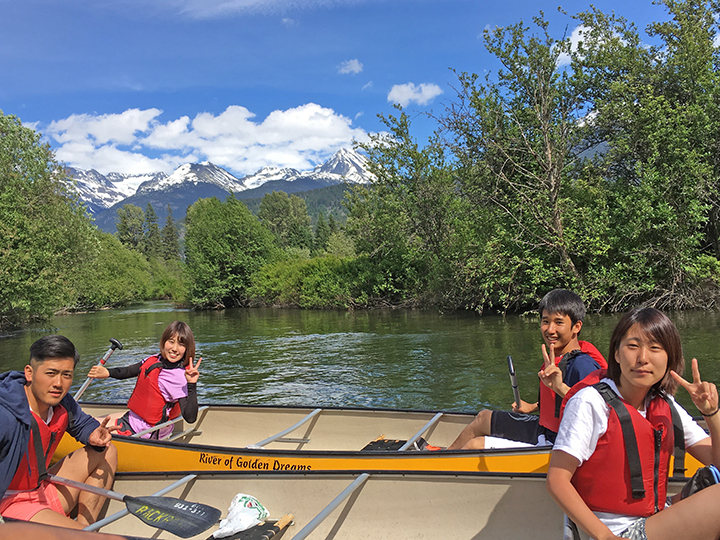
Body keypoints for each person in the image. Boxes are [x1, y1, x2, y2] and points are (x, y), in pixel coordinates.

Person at [547, 307, 720, 540]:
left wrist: (711, 413)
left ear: (669, 358)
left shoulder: (663, 403)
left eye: (655, 348)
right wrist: (606, 537)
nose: (643, 358)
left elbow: (716, 462)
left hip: (654, 517)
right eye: (633, 346)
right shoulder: (590, 402)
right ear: (617, 354)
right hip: (616, 532)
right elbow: (557, 480)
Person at [448, 289, 606, 450]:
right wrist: (533, 407)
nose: (550, 329)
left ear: (576, 326)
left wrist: (560, 387)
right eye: (545, 321)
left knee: (476, 445)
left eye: (559, 322)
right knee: (483, 417)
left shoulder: (583, 366)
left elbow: (599, 413)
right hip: (545, 429)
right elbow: (557, 401)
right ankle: (442, 456)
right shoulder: (557, 357)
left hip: (559, 442)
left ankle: (436, 468)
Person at [0, 335, 118, 529]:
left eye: (66, 375)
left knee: (107, 450)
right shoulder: (5, 416)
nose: (58, 383)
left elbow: (82, 424)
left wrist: (93, 434)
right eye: (51, 373)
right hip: (10, 505)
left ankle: (85, 528)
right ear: (29, 373)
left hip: (40, 490)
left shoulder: (62, 401)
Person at [87, 321, 201, 439]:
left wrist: (191, 384)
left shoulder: (178, 377)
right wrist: (108, 372)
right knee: (89, 421)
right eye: (171, 341)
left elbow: (190, 418)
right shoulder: (157, 359)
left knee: (89, 428)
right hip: (134, 419)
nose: (174, 349)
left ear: (187, 348)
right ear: (164, 341)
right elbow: (130, 371)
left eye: (181, 344)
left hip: (146, 431)